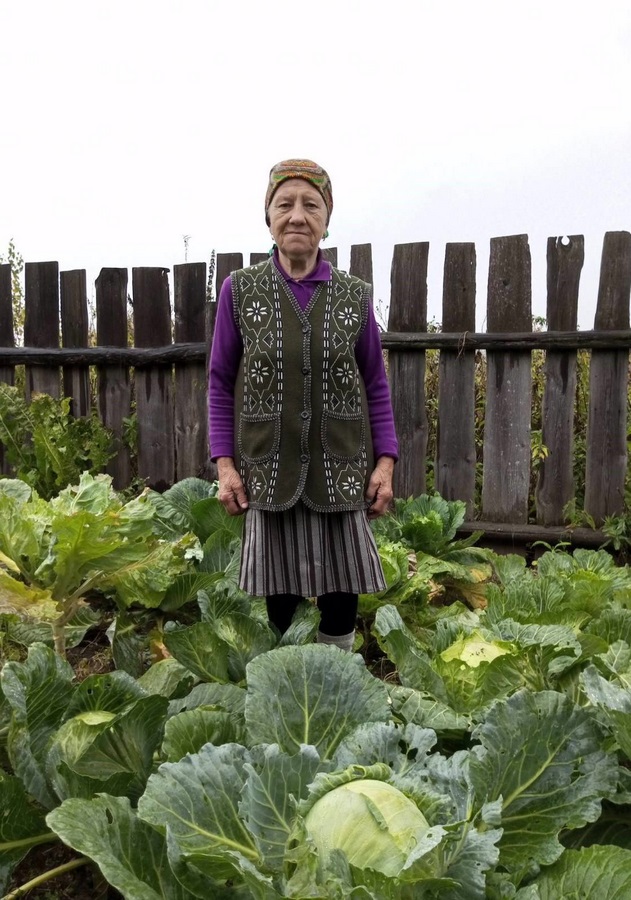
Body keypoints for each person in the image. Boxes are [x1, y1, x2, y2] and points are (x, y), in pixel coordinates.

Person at [208, 158, 398, 651]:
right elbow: (220, 382)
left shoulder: (354, 296)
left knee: (341, 588)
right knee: (281, 594)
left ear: (327, 219)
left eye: (311, 205)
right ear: (268, 216)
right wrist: (225, 466)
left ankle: (338, 674)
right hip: (269, 467)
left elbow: (375, 384)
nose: (297, 216)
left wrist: (385, 463)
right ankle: (287, 678)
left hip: (339, 466)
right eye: (284, 204)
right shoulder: (240, 291)